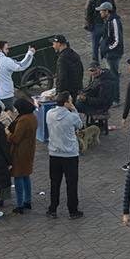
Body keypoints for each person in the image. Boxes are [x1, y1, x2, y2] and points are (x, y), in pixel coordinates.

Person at [45, 91, 85, 219]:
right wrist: (75, 111)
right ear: (66, 103)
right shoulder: (71, 116)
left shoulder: (49, 114)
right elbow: (80, 125)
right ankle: (73, 210)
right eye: (70, 101)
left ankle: (53, 208)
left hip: (54, 153)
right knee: (71, 184)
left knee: (55, 183)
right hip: (70, 154)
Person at [8, 97, 38, 215]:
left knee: (18, 176)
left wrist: (7, 134)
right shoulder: (33, 117)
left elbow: (16, 138)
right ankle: (28, 200)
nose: (15, 110)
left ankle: (19, 204)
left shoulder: (23, 120)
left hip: (19, 152)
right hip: (29, 151)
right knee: (26, 175)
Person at [53, 34, 84, 101]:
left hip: (67, 92)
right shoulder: (74, 54)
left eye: (54, 44)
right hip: (77, 89)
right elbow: (81, 70)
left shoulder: (62, 59)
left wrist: (59, 93)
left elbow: (62, 77)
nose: (53, 46)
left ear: (59, 44)